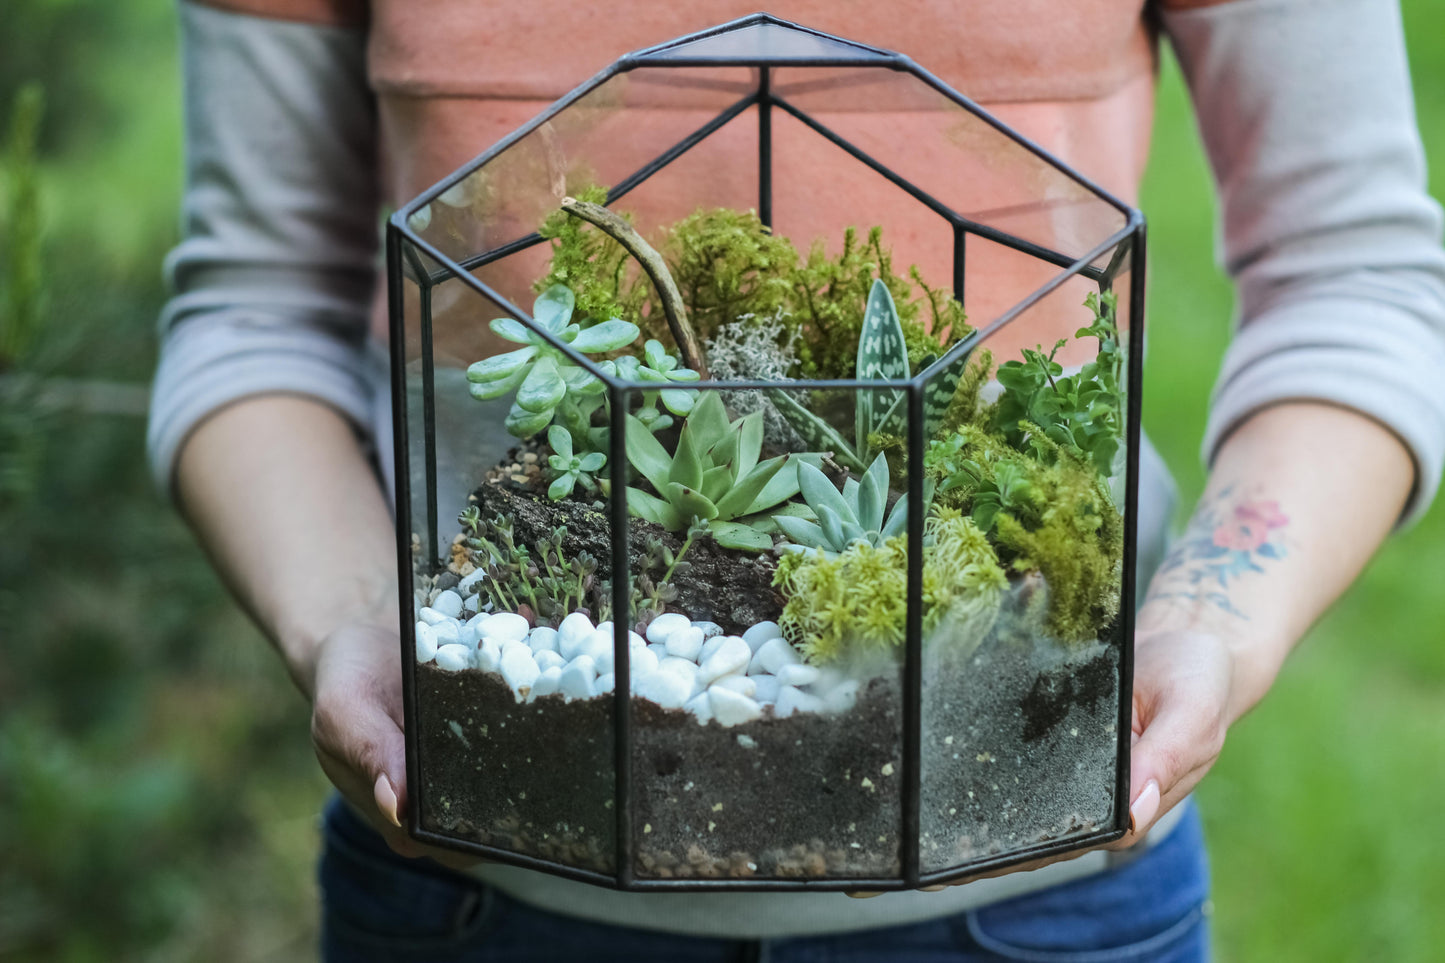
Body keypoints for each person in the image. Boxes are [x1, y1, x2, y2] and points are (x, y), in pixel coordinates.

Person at [148, 0, 1445, 959]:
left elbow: (1353, 277)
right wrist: (355, 630)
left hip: (1038, 876)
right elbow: (258, 311)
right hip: (479, 883)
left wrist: (1210, 623)